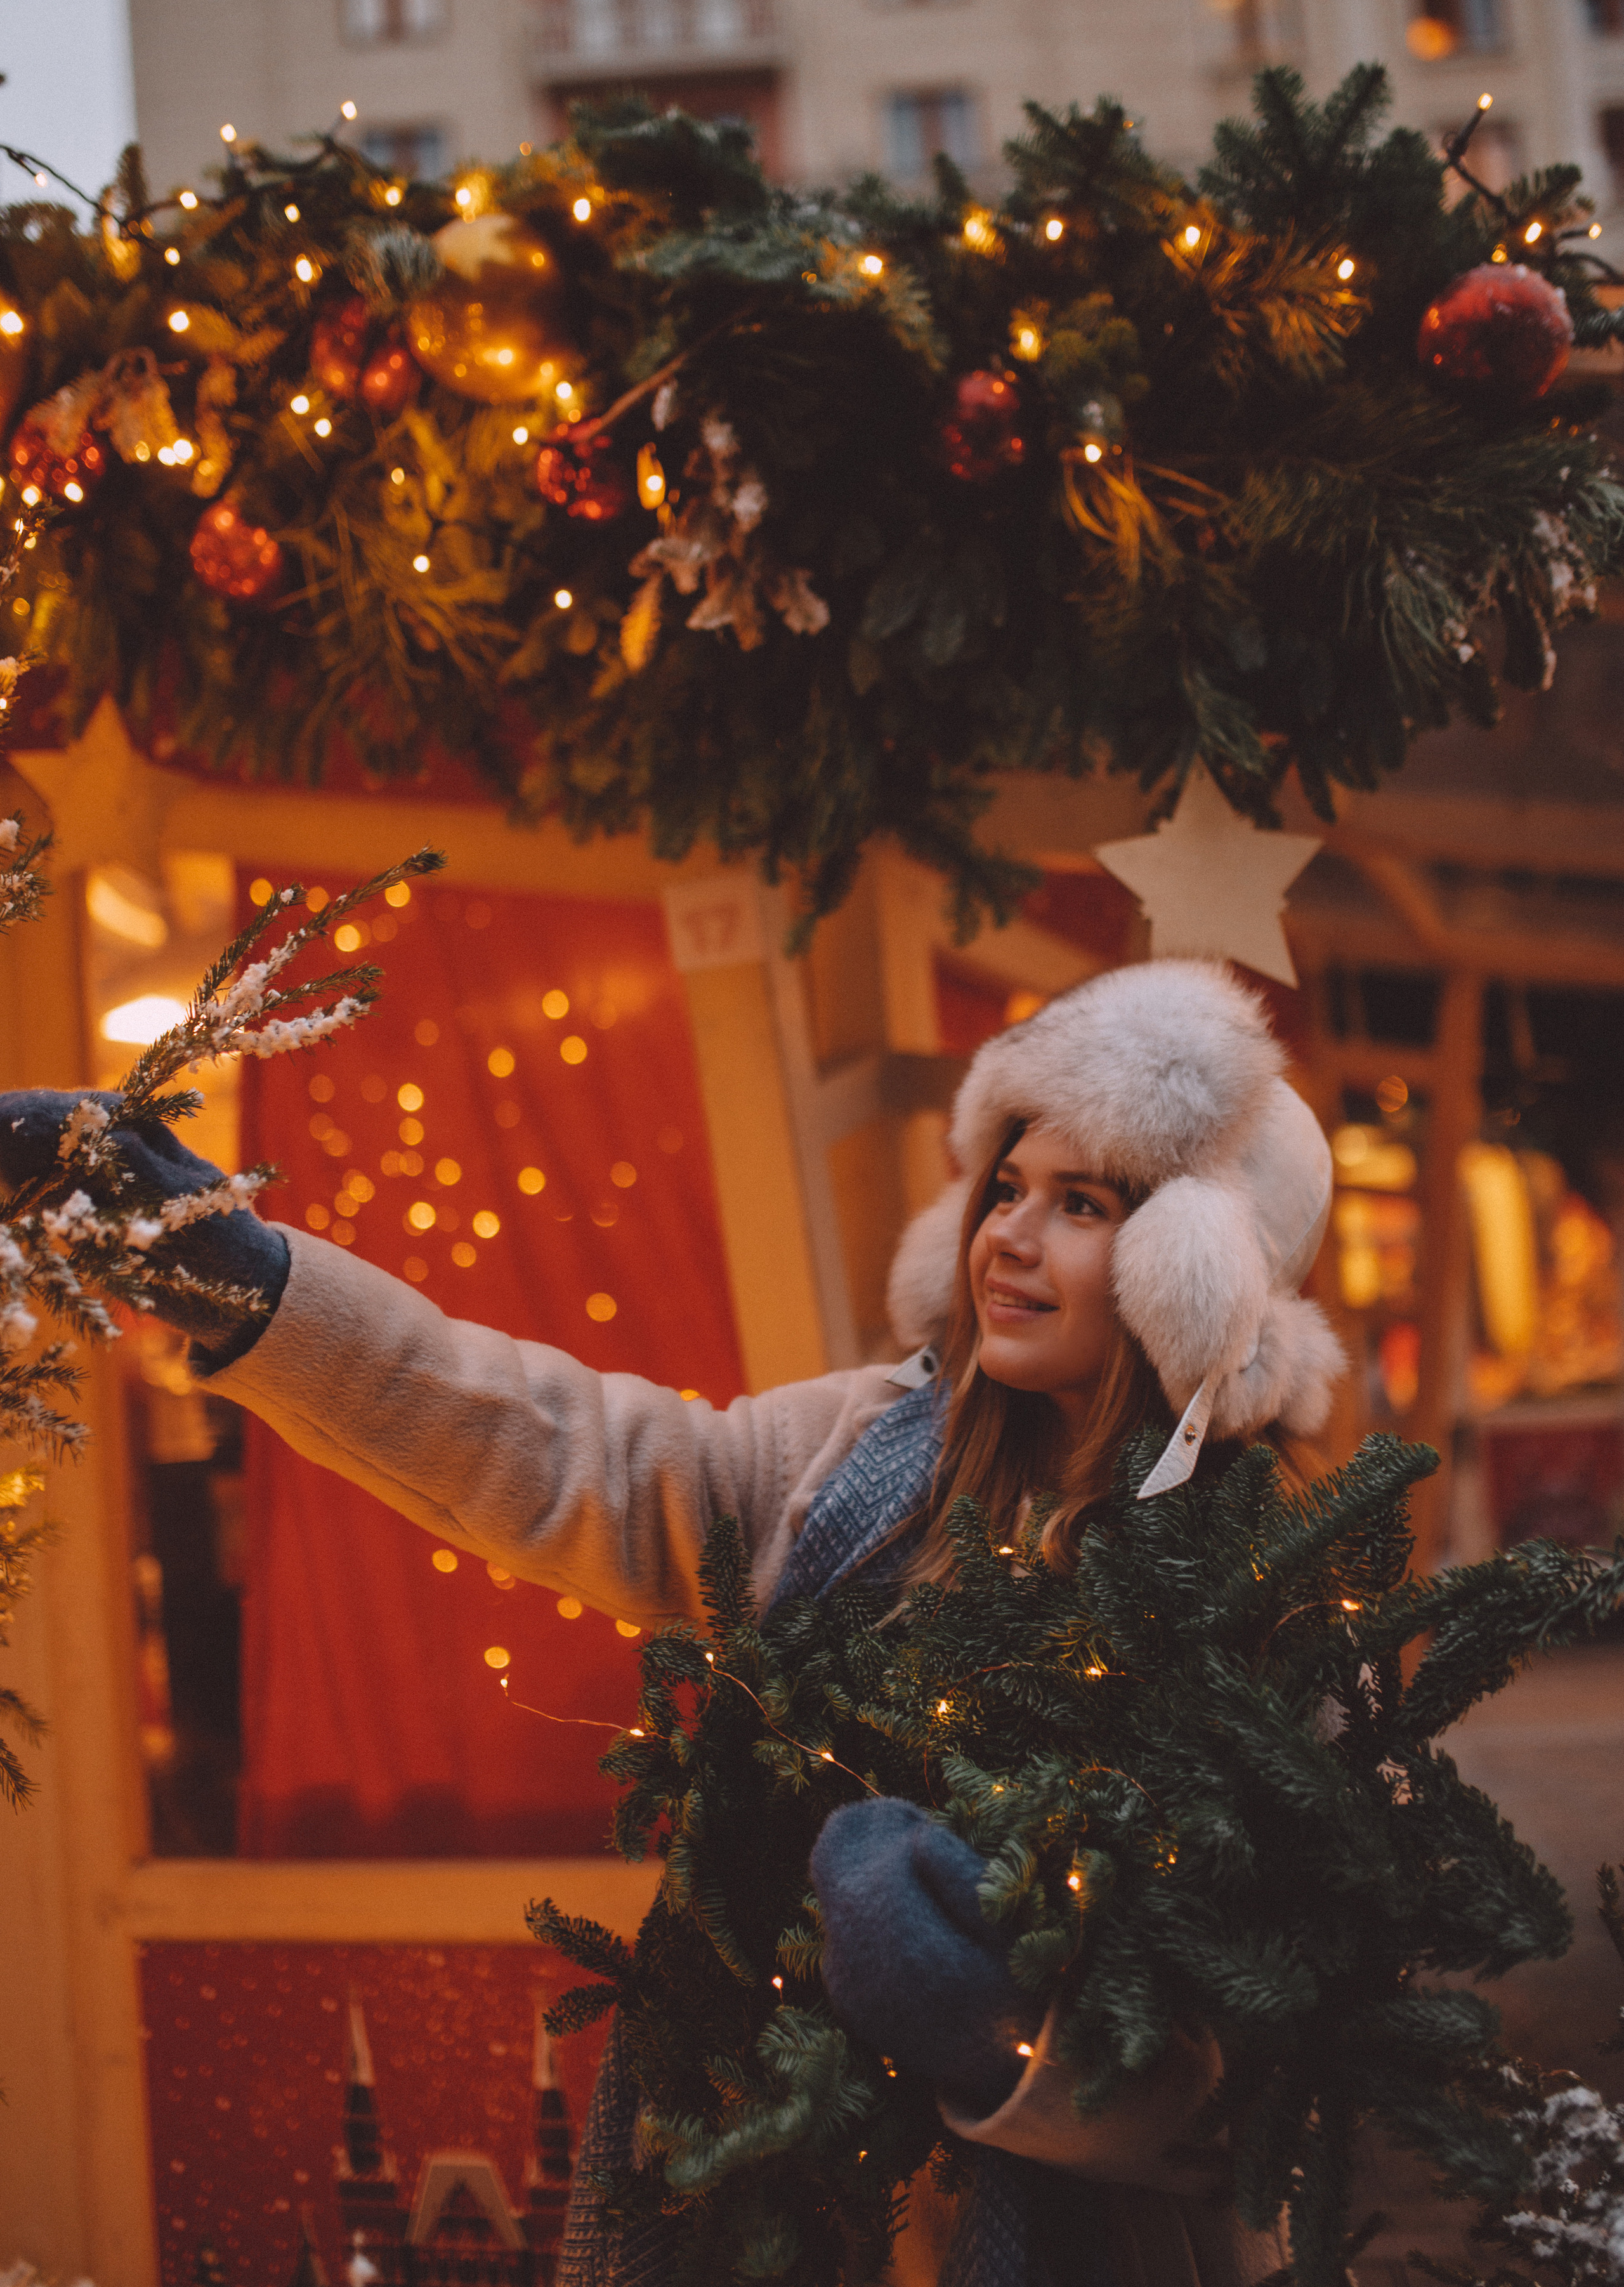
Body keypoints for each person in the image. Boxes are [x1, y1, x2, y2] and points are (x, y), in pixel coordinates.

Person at [0, 955, 1344, 2287]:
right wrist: (244, 1279)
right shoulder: (850, 1464)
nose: (1008, 1235)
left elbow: (1284, 2064)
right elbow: (538, 1441)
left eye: (1081, 1205)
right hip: (758, 2214)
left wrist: (1003, 2039)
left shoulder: (1256, 1595)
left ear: (1192, 1272)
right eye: (1005, 1187)